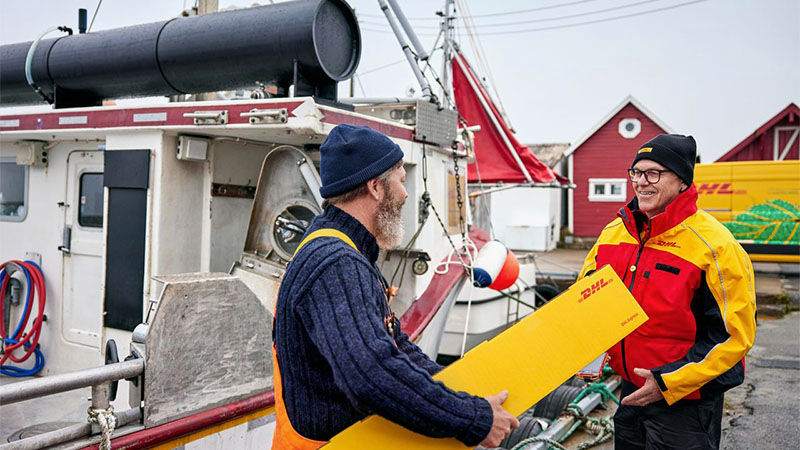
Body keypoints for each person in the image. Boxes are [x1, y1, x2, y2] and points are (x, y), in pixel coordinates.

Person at [271, 124, 519, 449]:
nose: (405, 194)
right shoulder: (336, 263)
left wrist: (460, 389)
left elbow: (397, 347)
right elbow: (370, 372)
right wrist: (473, 418)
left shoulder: (349, 253)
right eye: (401, 180)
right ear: (375, 187)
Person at [579, 134, 756, 449]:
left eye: (654, 173)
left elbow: (733, 336)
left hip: (685, 403)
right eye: (636, 172)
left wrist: (667, 382)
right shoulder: (613, 234)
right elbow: (587, 304)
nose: (641, 182)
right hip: (631, 391)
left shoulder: (715, 245)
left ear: (683, 182)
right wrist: (587, 357)